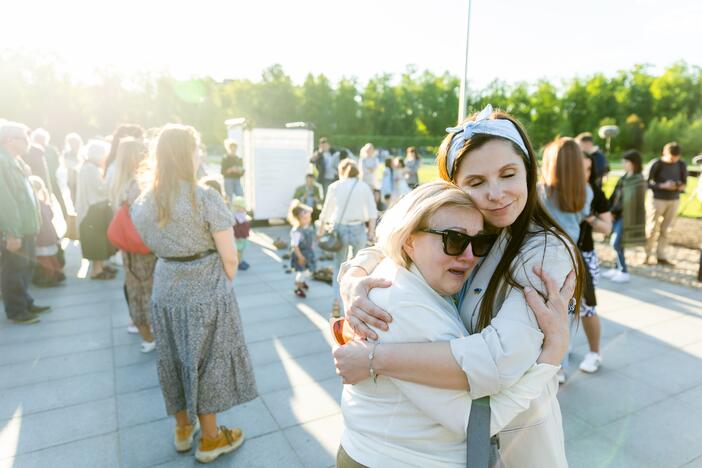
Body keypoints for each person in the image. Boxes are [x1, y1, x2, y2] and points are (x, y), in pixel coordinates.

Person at [335, 104, 583, 467]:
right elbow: (399, 238)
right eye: (477, 182)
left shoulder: (544, 251)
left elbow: (498, 361)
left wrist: (375, 360)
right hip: (464, 441)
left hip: (517, 435)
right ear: (456, 189)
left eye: (508, 174)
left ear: (529, 173)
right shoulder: (475, 230)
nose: (496, 193)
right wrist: (354, 277)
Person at [131, 124, 257, 463]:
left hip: (165, 288)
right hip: (205, 289)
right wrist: (224, 282)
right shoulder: (205, 197)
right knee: (207, 362)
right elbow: (230, 256)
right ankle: (212, 439)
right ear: (188, 154)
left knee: (173, 358)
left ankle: (183, 429)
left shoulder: (143, 202)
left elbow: (148, 243)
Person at [109, 137, 157, 353]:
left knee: (135, 289)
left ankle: (145, 334)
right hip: (144, 247)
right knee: (147, 290)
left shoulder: (119, 181)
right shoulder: (139, 184)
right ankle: (150, 335)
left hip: (128, 247)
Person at [0, 121, 50, 324]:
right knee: (14, 268)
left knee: (26, 266)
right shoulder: (3, 161)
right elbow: (5, 201)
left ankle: (25, 301)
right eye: (24, 138)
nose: (29, 142)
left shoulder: (16, 161)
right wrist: (12, 233)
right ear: (11, 140)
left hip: (26, 227)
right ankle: (16, 310)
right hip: (16, 229)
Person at [318, 159, 377, 318]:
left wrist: (321, 230)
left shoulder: (335, 186)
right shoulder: (363, 186)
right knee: (362, 267)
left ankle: (336, 302)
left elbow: (326, 211)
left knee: (339, 266)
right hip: (358, 228)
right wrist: (371, 232)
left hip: (340, 229)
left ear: (341, 171)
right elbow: (372, 212)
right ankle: (359, 302)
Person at [575, 153, 612, 374]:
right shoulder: (552, 190)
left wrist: (589, 217)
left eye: (588, 169)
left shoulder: (594, 192)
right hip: (557, 254)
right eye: (579, 168)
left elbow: (607, 228)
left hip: (585, 256)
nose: (584, 174)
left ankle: (594, 353)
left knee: (587, 308)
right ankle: (558, 360)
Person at [602, 150, 647, 282]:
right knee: (616, 242)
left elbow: (630, 201)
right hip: (616, 214)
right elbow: (615, 195)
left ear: (634, 163)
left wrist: (614, 212)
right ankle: (617, 268)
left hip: (627, 216)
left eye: (626, 161)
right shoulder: (624, 177)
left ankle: (624, 271)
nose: (624, 164)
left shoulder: (638, 180)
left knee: (616, 243)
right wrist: (608, 210)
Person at [76, 140, 116, 280]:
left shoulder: (89, 167)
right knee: (96, 240)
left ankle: (101, 266)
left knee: (100, 239)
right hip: (92, 209)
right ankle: (96, 270)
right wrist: (111, 181)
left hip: (94, 208)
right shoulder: (90, 168)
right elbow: (99, 188)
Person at [644, 141, 687, 266]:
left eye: (676, 158)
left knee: (666, 229)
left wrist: (678, 186)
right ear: (665, 153)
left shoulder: (681, 164)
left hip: (674, 199)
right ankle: (647, 255)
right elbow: (646, 183)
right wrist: (662, 185)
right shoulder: (656, 164)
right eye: (671, 157)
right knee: (652, 228)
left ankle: (661, 256)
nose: (673, 160)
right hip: (657, 199)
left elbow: (684, 182)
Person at [29, 176, 65, 288]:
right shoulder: (44, 203)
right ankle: (58, 273)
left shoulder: (33, 205)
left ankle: (50, 277)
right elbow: (51, 215)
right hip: (51, 236)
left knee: (43, 259)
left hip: (42, 238)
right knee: (51, 256)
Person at [288, 201, 316, 298]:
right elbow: (295, 246)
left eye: (309, 218)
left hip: (308, 253)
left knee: (308, 270)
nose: (308, 220)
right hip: (300, 254)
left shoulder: (308, 227)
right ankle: (298, 287)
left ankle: (302, 281)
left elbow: (311, 238)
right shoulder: (296, 231)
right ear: (298, 219)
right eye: (305, 218)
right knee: (302, 271)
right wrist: (300, 256)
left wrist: (312, 246)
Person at [61, 132, 83, 206]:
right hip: (72, 179)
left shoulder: (82, 153)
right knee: (73, 196)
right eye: (71, 143)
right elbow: (68, 165)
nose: (73, 145)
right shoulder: (67, 154)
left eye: (74, 142)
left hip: (81, 178)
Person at [231, 196, 251, 271]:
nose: (244, 209)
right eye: (243, 207)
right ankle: (239, 263)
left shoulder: (242, 215)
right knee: (238, 250)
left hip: (243, 236)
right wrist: (236, 237)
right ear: (237, 208)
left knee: (242, 250)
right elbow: (235, 228)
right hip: (238, 237)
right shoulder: (235, 217)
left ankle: (241, 261)